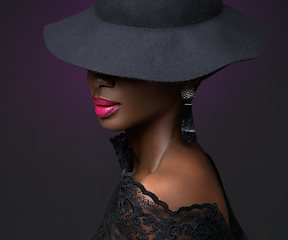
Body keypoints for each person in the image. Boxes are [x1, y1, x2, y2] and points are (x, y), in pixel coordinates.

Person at [43, 0, 267, 239]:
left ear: (187, 77)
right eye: (97, 57)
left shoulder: (162, 192)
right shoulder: (167, 170)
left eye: (127, 63)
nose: (101, 80)